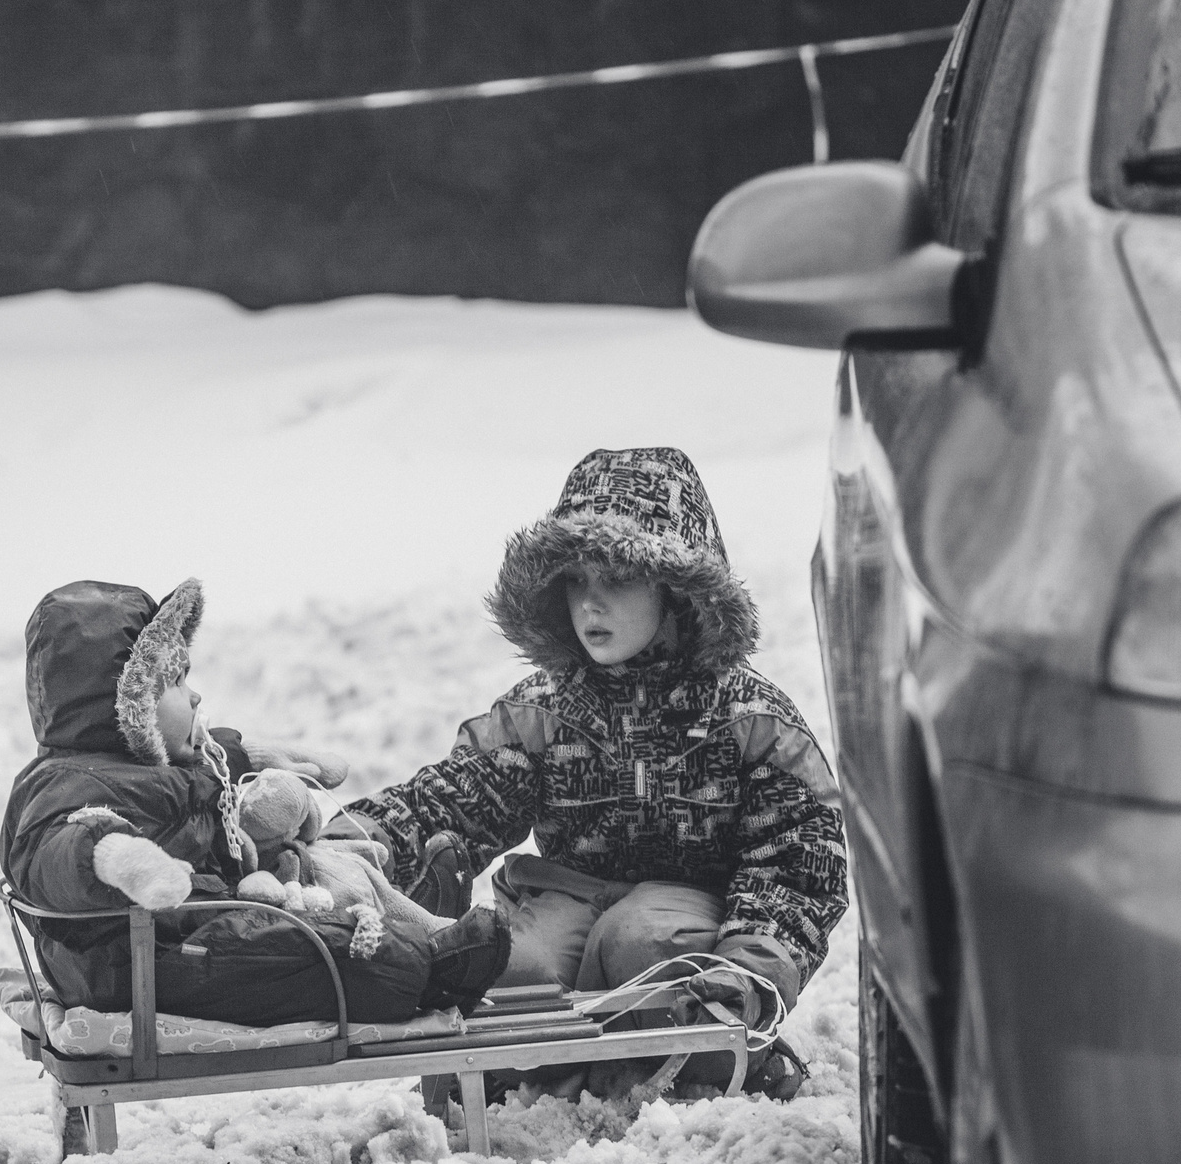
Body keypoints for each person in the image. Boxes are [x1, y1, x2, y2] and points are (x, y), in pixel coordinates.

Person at [340, 447, 847, 1097]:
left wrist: (749, 971)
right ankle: (538, 1062)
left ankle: (726, 1060)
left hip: (687, 917)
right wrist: (359, 842)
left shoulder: (749, 715)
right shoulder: (549, 707)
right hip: (568, 897)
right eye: (577, 580)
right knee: (513, 970)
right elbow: (455, 798)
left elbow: (800, 862)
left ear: (676, 588)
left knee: (640, 941)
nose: (591, 604)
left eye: (619, 578)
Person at [0, 577, 509, 1028]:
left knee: (312, 871)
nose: (194, 696)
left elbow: (204, 779)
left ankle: (408, 911)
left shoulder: (149, 764)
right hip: (141, 962)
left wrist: (254, 753)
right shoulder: (63, 787)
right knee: (297, 947)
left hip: (192, 925)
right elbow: (54, 854)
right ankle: (432, 970)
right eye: (174, 683)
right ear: (127, 707)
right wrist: (115, 857)